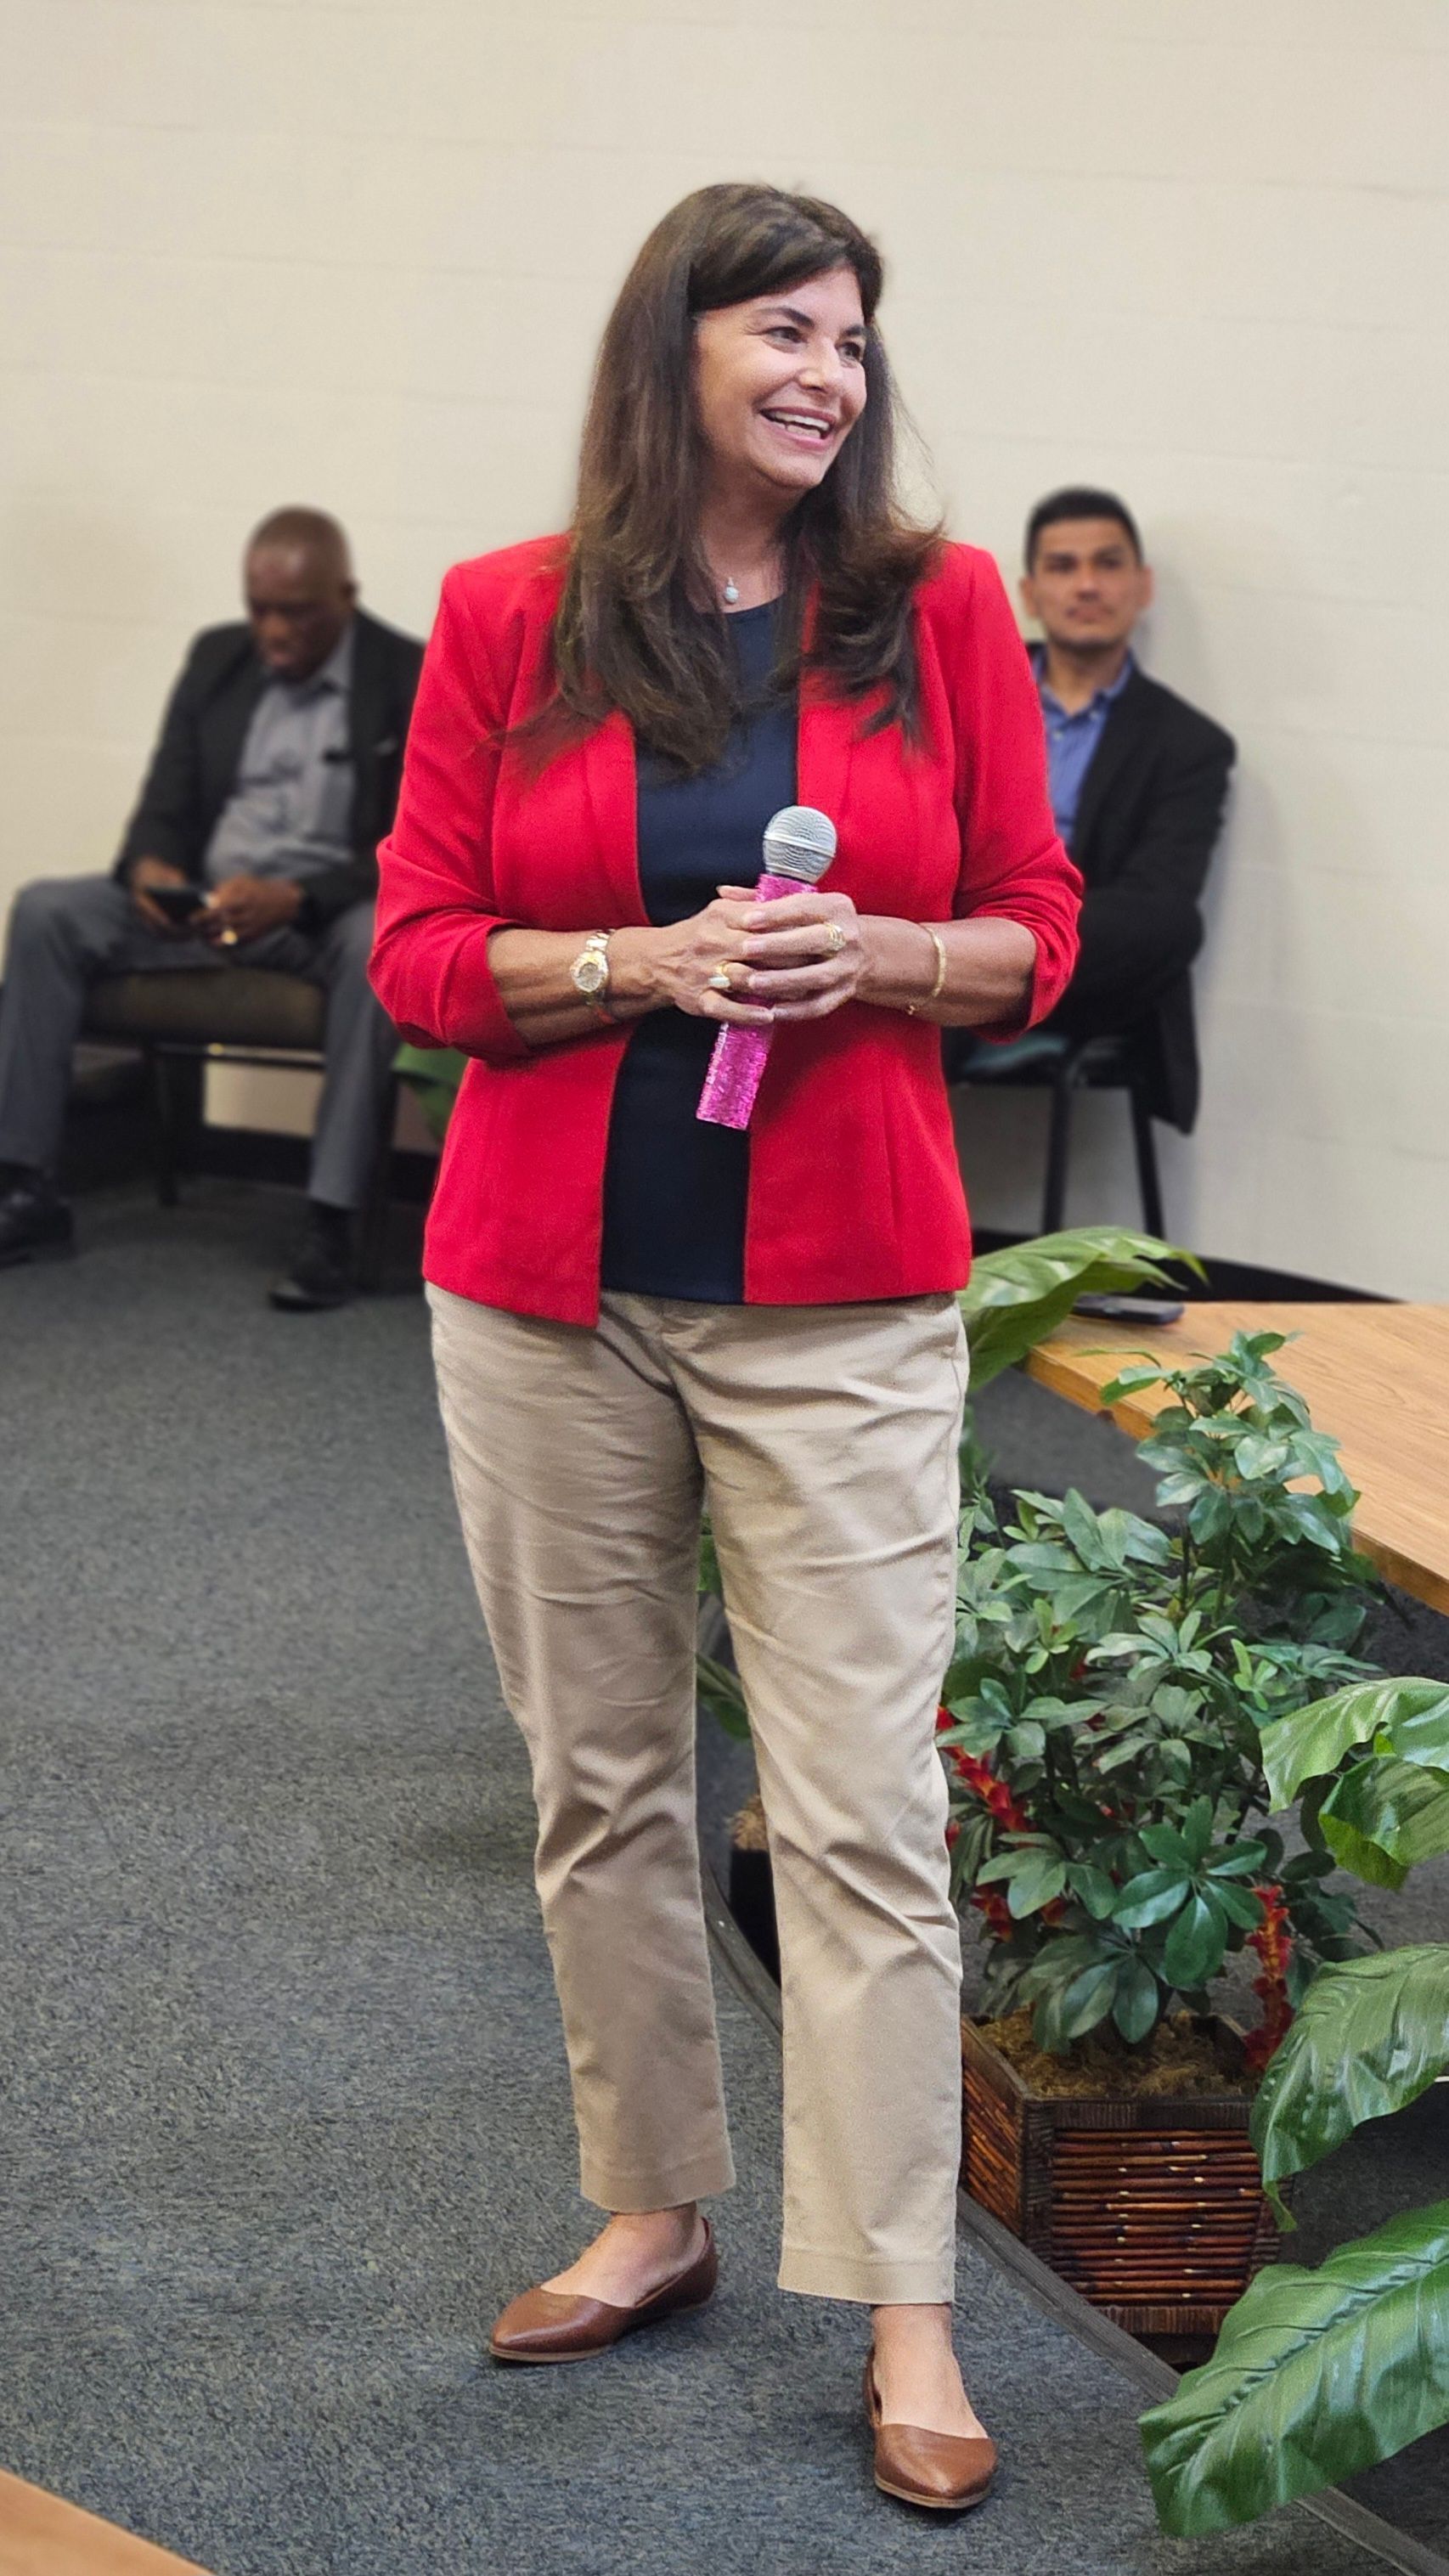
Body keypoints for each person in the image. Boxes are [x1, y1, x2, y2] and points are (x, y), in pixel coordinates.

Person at [371, 184, 1080, 2511]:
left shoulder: (935, 611)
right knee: (598, 1787)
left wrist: (870, 950)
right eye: (788, 330)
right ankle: (657, 2211)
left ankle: (904, 2308)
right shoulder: (506, 616)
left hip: (843, 1299)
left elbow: (1032, 939)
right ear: (673, 346)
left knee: (861, 1818)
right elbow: (420, 955)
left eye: (856, 343)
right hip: (548, 1293)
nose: (830, 376)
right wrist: (634, 966)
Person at [0, 508, 424, 1308]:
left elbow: (410, 841)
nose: (272, 631)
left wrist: (295, 897)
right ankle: (26, 1191)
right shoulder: (218, 659)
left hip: (314, 917)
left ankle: (330, 1222)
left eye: (295, 612)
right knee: (47, 912)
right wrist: (151, 869)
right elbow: (167, 798)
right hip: (203, 905)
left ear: (345, 594)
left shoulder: (405, 674)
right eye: (259, 608)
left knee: (380, 942)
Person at [1002, 486, 1236, 1131]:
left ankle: (982, 990)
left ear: (1142, 585)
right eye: (1062, 566)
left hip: (1076, 967)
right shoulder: (973, 687)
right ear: (1030, 593)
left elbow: (1157, 903)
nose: (1086, 585)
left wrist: (1017, 945)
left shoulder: (1190, 745)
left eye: (1107, 564)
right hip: (953, 921)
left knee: (1173, 925)